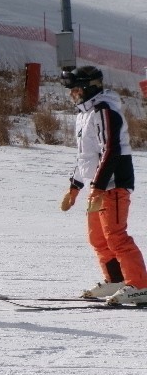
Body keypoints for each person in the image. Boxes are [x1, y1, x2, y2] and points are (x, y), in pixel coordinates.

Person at [60, 66, 147, 305]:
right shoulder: (84, 115)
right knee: (97, 237)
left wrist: (98, 186)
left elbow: (111, 150)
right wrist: (75, 186)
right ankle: (116, 280)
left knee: (116, 235)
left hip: (114, 182)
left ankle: (140, 286)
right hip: (98, 185)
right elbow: (86, 156)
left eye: (76, 89)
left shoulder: (104, 111)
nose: (72, 94)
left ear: (89, 88)